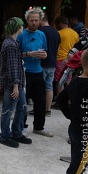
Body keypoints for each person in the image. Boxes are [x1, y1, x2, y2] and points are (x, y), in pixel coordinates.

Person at [55, 47, 88, 174]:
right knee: (76, 168)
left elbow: (61, 99)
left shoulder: (76, 81)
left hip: (75, 129)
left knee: (78, 164)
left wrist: (72, 117)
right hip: (85, 135)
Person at [17, 7, 54, 138]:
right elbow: (15, 54)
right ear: (27, 20)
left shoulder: (42, 35)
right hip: (25, 71)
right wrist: (29, 53)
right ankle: (22, 127)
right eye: (31, 20)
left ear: (40, 21)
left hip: (39, 71)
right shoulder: (21, 35)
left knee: (40, 101)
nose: (34, 22)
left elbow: (45, 51)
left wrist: (44, 55)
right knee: (23, 101)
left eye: (36, 20)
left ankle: (39, 127)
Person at [0, 17, 32, 148]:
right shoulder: (11, 44)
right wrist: (16, 86)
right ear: (18, 28)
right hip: (13, 83)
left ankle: (16, 133)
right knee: (8, 110)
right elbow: (12, 68)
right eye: (21, 26)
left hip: (17, 82)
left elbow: (10, 64)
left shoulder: (12, 42)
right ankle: (5, 136)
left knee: (22, 108)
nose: (23, 28)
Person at [39, 15, 61, 117]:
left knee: (39, 87)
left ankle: (39, 108)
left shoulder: (40, 32)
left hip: (42, 62)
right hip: (53, 62)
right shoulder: (56, 32)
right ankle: (48, 109)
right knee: (49, 86)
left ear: (40, 20)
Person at [53, 16, 79, 100]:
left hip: (60, 58)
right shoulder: (75, 34)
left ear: (60, 23)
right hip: (71, 59)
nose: (56, 26)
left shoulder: (59, 33)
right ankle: (70, 99)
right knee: (68, 80)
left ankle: (60, 100)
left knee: (59, 80)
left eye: (56, 24)